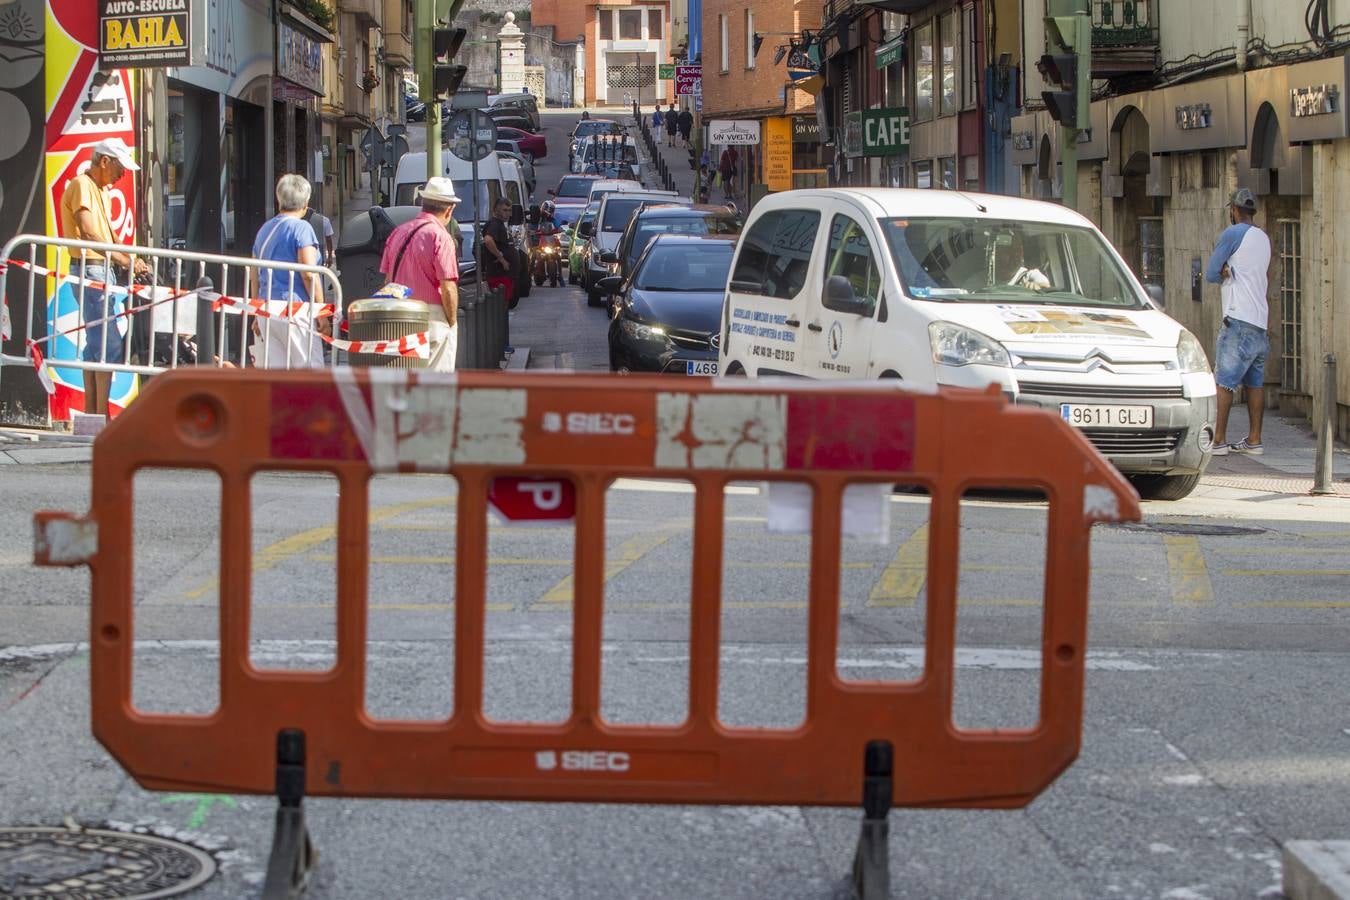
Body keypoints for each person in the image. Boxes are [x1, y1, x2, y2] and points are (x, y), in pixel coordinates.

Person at [59, 136, 149, 416]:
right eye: (120, 167)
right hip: (91, 267)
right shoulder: (83, 186)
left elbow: (108, 235)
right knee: (106, 344)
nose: (122, 174)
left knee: (96, 342)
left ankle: (93, 414)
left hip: (98, 267)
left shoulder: (98, 190)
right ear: (104, 161)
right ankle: (100, 415)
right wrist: (124, 258)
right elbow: (87, 231)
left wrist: (129, 258)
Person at [1205, 188, 1271, 456]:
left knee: (1224, 382)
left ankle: (1218, 440)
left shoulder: (1232, 234)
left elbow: (1210, 273)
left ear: (1233, 210)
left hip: (1238, 318)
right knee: (1255, 384)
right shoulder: (1263, 237)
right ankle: (1254, 440)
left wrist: (1223, 272)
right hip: (1260, 321)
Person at [378, 176, 461, 372]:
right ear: (449, 209)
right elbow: (448, 286)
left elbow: (388, 281)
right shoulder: (440, 236)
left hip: (399, 317)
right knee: (435, 386)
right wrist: (452, 322)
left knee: (405, 383)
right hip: (431, 317)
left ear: (423, 204)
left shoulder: (398, 232)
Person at [250, 174, 328, 368]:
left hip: (268, 310)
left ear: (279, 199)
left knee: (277, 375)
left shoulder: (264, 230)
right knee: (310, 370)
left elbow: (254, 276)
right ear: (306, 202)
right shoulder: (302, 229)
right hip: (295, 309)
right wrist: (322, 312)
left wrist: (256, 312)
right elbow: (309, 273)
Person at [480, 196, 518, 308]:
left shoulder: (499, 224)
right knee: (501, 306)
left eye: (510, 210)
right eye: (505, 210)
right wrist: (501, 258)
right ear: (496, 210)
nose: (508, 214)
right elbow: (488, 240)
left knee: (504, 304)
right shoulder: (494, 224)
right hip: (499, 274)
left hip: (504, 275)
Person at [303, 202, 335, 268]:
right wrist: (329, 257)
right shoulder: (324, 220)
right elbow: (328, 239)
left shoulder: (296, 222)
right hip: (319, 257)